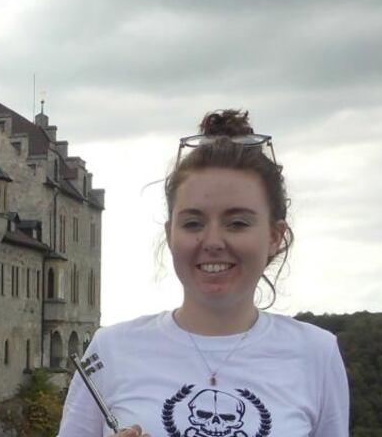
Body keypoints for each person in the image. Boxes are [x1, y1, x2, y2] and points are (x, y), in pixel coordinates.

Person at [58, 109, 349, 437]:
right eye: (193, 223)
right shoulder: (111, 350)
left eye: (237, 223)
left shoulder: (317, 354)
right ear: (170, 234)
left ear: (274, 235)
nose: (212, 242)